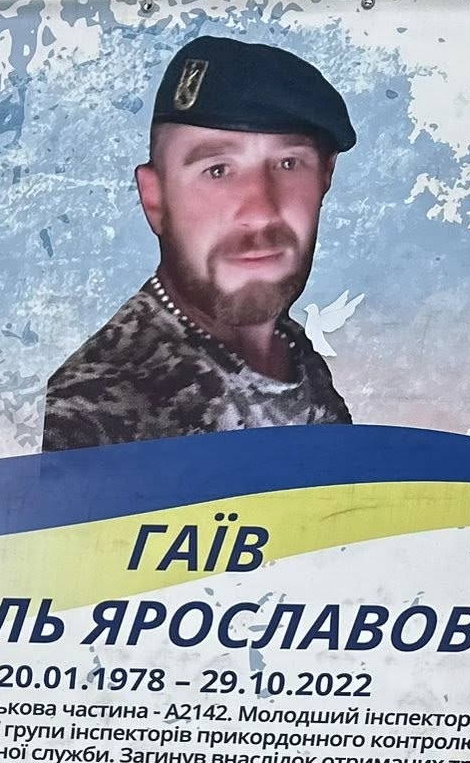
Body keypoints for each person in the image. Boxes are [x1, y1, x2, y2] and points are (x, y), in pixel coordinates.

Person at [41, 34, 356, 452]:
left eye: (288, 163)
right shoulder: (94, 419)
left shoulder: (293, 352)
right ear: (155, 199)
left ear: (325, 178)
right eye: (218, 170)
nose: (260, 210)